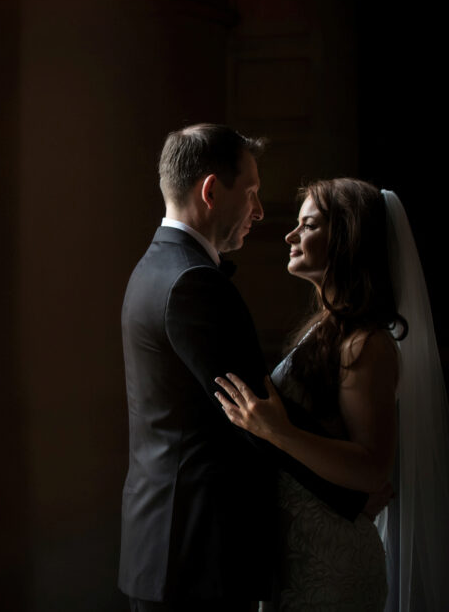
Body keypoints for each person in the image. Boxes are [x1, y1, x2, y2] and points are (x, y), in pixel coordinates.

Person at [119, 125, 367, 612]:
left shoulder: (154, 268)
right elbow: (257, 417)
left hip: (167, 548)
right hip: (195, 558)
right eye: (251, 192)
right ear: (211, 191)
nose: (259, 210)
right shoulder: (193, 282)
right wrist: (354, 488)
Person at [214, 178, 449, 611]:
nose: (290, 235)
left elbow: (372, 470)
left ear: (347, 237)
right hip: (301, 553)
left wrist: (278, 432)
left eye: (308, 225)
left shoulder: (366, 345)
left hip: (332, 562)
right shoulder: (326, 332)